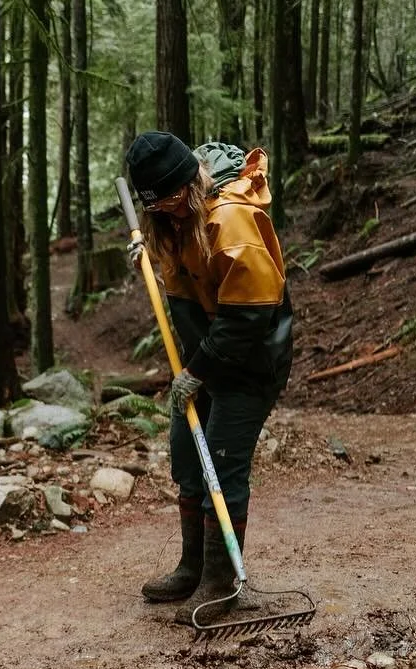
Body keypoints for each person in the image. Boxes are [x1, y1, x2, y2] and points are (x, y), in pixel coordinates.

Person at [124, 132, 294, 624]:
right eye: (157, 207)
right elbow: (186, 287)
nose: (169, 212)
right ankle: (192, 567)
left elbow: (246, 319)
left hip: (250, 361)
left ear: (189, 183)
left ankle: (221, 582)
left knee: (221, 461)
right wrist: (154, 261)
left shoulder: (231, 220)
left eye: (175, 200)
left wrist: (197, 372)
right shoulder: (173, 222)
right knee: (186, 452)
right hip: (206, 362)